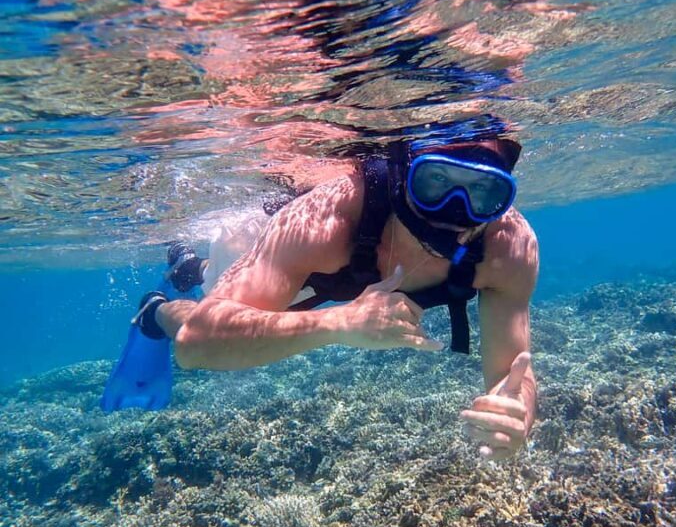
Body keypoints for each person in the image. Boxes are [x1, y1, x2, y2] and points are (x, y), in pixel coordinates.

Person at [104, 132, 540, 461]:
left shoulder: (508, 248)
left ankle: (193, 268)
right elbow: (198, 344)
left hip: (334, 274)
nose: (456, 208)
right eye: (436, 181)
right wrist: (339, 324)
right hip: (300, 260)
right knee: (206, 301)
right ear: (406, 177)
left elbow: (515, 373)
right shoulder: (329, 217)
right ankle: (156, 310)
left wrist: (516, 413)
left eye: (483, 191)